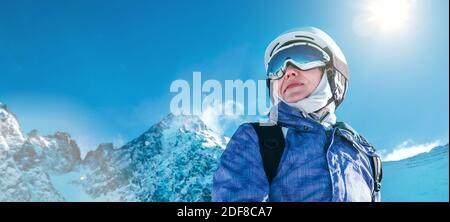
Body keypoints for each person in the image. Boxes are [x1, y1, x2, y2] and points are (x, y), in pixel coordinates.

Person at [212, 27, 382, 202]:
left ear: (333, 72)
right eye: (277, 67)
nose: (288, 72)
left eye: (304, 57)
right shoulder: (257, 138)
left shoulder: (365, 154)